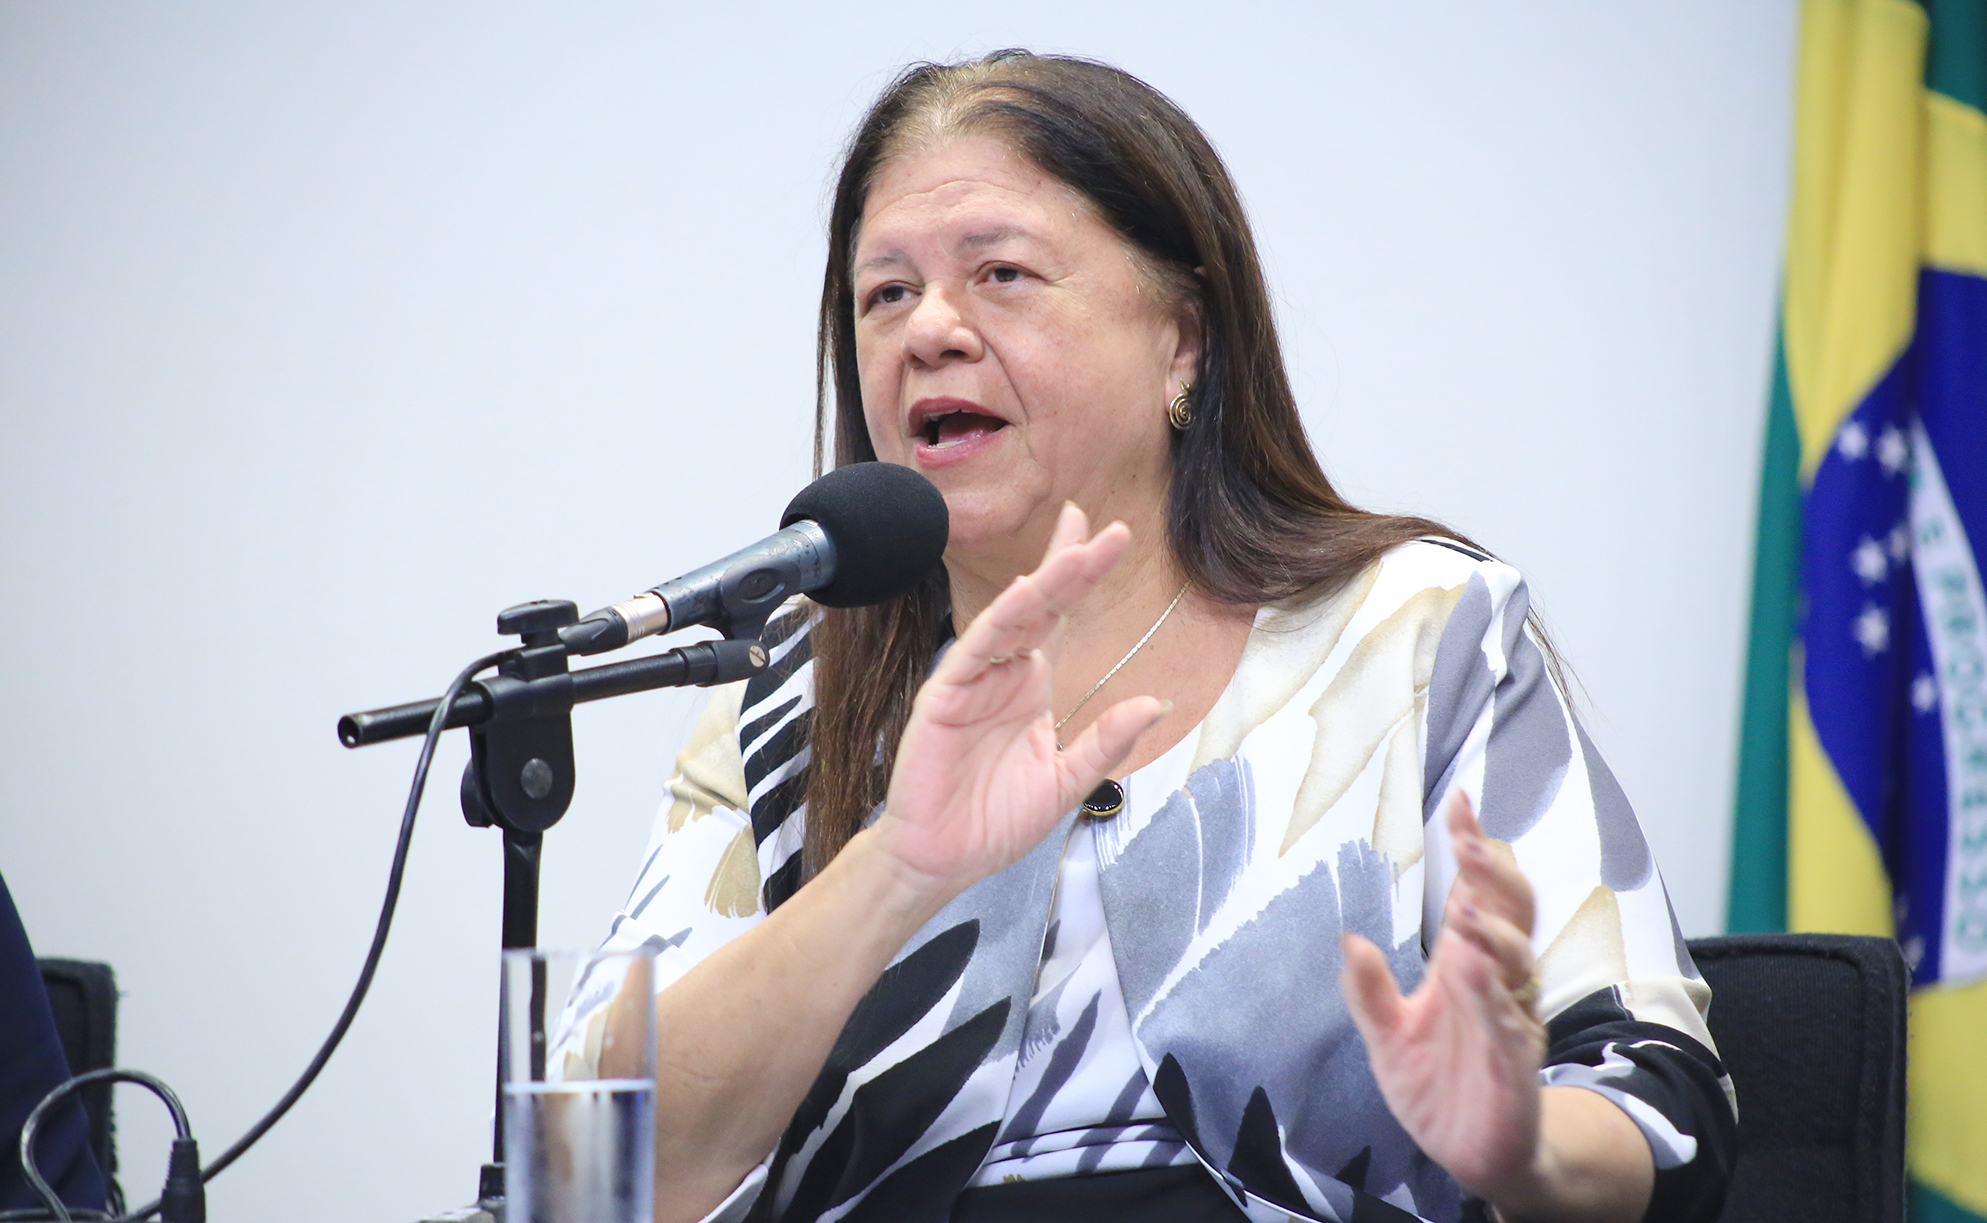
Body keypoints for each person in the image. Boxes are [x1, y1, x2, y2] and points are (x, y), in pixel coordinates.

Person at [591, 51, 1737, 1223]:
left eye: (1001, 272)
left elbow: (1653, 1095)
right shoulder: (792, 687)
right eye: (884, 292)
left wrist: (1515, 1138)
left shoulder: (1413, 636)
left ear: (1181, 339)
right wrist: (895, 870)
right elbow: (593, 1165)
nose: (929, 327)